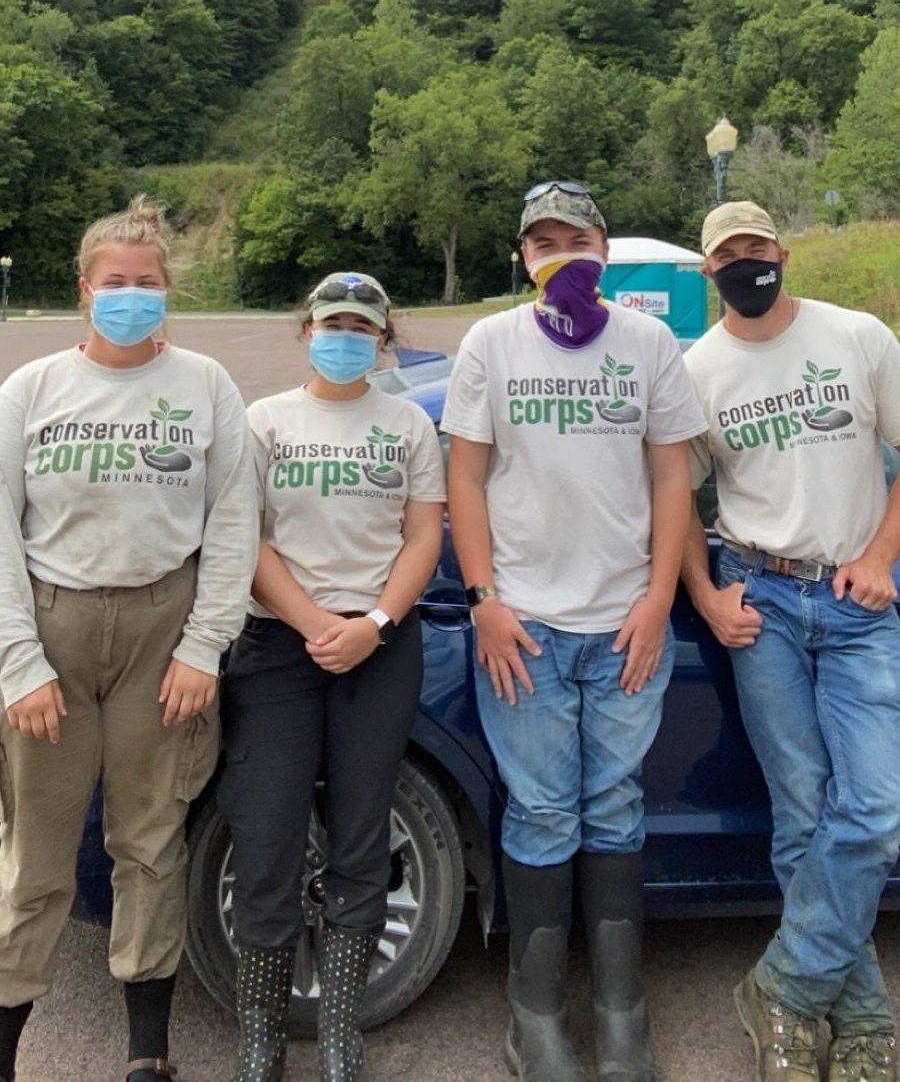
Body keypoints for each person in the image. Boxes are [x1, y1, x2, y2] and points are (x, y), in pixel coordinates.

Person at [442, 181, 706, 1082]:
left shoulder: (649, 342)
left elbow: (673, 481)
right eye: (541, 242)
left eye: (575, 237)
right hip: (529, 628)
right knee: (547, 809)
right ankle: (537, 1016)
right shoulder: (492, 343)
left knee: (615, 806)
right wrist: (484, 598)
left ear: (604, 245)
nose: (559, 252)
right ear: (523, 257)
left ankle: (623, 1014)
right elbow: (465, 480)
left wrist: (658, 597)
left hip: (627, 619)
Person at [0, 196, 257, 1082]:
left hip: (163, 627)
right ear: (85, 289)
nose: (132, 296)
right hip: (55, 626)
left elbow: (233, 519)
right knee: (36, 853)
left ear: (168, 291)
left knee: (149, 844)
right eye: (116, 283)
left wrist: (203, 644)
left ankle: (148, 1053)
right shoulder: (32, 391)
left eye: (147, 283)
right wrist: (19, 664)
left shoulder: (204, 386)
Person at [681, 200, 900, 1082]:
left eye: (758, 247)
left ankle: (785, 988)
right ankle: (869, 1029)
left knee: (877, 811)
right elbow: (674, 500)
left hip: (857, 599)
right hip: (761, 597)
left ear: (783, 251)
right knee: (802, 813)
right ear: (710, 272)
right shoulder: (697, 370)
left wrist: (884, 553)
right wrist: (705, 594)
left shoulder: (857, 336)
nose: (747, 261)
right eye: (728, 253)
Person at [217, 271, 445, 1082]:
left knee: (360, 836)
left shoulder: (409, 423)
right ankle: (261, 1039)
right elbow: (245, 539)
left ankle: (343, 1036)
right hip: (282, 646)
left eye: (362, 325)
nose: (345, 335)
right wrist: (316, 624)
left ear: (383, 339)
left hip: (380, 646)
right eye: (332, 321)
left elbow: (423, 534)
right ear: (305, 327)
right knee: (268, 835)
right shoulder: (264, 420)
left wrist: (374, 623)